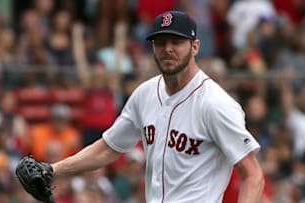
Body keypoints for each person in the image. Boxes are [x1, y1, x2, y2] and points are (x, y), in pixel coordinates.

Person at [50, 11, 265, 202]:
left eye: (176, 41)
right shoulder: (145, 94)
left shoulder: (215, 103)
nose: (168, 49)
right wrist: (53, 170)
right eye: (160, 42)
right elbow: (108, 148)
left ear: (195, 47)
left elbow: (253, 176)